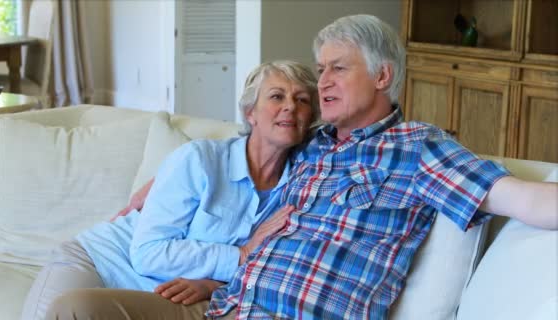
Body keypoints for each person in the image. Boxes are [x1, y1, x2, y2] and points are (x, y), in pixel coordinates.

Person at [43, 15, 558, 320]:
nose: (324, 81)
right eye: (321, 70)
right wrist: (163, 183)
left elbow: (525, 198)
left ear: (382, 76)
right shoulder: (311, 145)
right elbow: (243, 144)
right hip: (226, 306)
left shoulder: (419, 149)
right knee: (77, 309)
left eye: (338, 67)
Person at [19, 60, 319, 320]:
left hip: (165, 290)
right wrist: (240, 255)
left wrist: (215, 285)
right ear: (251, 112)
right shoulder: (200, 160)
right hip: (102, 260)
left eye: (302, 99)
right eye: (277, 96)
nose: (290, 106)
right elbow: (148, 253)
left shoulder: (303, 183)